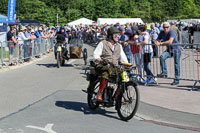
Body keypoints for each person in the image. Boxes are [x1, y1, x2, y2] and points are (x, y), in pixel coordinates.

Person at [93, 27, 128, 102]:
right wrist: (99, 59)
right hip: (103, 65)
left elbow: (123, 58)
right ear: (110, 36)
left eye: (118, 35)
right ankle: (100, 93)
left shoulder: (119, 46)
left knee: (124, 78)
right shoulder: (103, 43)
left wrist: (128, 64)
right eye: (116, 35)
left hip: (114, 67)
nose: (118, 36)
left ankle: (117, 96)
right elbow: (96, 54)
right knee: (106, 72)